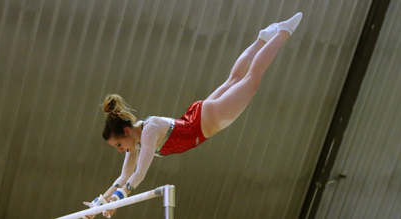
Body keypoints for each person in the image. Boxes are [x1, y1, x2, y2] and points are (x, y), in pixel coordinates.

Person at [83, 12, 303, 218]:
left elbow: (139, 174)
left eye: (119, 145)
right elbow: (123, 177)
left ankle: (283, 32)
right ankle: (262, 39)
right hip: (197, 116)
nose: (121, 150)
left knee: (251, 81)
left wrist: (119, 198)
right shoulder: (136, 141)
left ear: (127, 131)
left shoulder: (148, 131)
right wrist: (101, 203)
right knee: (234, 79)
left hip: (205, 123)